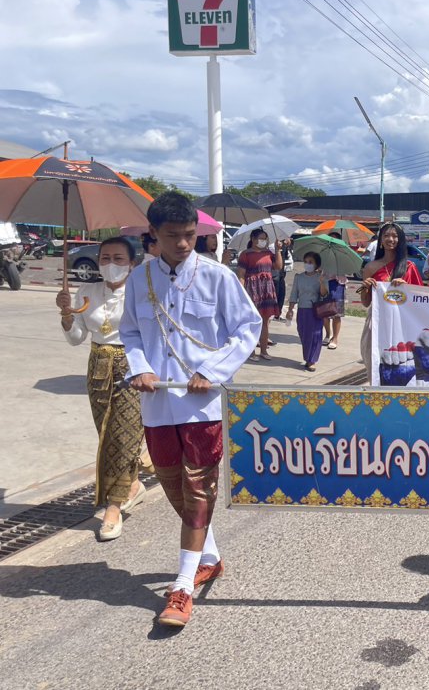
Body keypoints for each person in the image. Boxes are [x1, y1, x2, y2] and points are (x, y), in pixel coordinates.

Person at [120, 192, 261, 628]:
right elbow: (130, 333)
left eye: (189, 235)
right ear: (153, 234)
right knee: (174, 489)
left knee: (199, 489)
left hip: (202, 406)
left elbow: (247, 328)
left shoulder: (217, 277)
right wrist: (140, 369)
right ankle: (209, 557)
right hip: (157, 403)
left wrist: (212, 371)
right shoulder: (139, 279)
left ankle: (182, 587)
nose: (183, 244)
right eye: (172, 236)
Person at [56, 237, 146, 541]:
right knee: (107, 434)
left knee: (124, 435)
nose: (111, 264)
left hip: (132, 367)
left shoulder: (142, 293)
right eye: (105, 258)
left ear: (132, 263)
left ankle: (113, 506)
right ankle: (133, 483)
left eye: (119, 258)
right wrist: (67, 315)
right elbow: (76, 338)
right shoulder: (87, 291)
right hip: (98, 366)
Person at [360, 223, 424, 378]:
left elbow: (420, 301)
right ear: (381, 240)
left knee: (401, 366)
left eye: (395, 236)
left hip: (402, 324)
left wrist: (406, 287)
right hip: (377, 322)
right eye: (386, 235)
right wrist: (366, 288)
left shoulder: (409, 267)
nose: (391, 239)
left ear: (400, 240)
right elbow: (366, 302)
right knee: (375, 365)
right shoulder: (370, 267)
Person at [237, 229, 282, 361]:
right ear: (253, 239)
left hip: (267, 289)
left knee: (265, 321)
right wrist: (242, 292)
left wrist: (278, 250)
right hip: (252, 289)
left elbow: (278, 266)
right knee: (252, 321)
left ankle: (263, 350)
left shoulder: (268, 253)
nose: (264, 241)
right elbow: (241, 275)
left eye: (265, 239)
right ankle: (251, 351)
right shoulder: (245, 254)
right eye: (261, 238)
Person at [284, 251, 329, 371]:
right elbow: (294, 294)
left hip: (315, 311)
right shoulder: (299, 277)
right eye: (305, 262)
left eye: (310, 262)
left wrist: (322, 282)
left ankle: (312, 360)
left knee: (315, 335)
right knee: (304, 334)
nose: (307, 264)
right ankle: (307, 357)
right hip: (302, 311)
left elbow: (324, 294)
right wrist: (290, 310)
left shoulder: (321, 277)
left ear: (316, 264)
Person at [324, 274, 347, 350]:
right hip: (326, 281)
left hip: (339, 284)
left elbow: (349, 271)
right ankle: (328, 334)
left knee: (337, 313)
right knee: (324, 313)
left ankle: (335, 338)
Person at [273, 238, 293, 321]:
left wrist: (287, 244)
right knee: (275, 293)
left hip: (281, 273)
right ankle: (273, 314)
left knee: (281, 293)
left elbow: (286, 255)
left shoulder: (284, 243)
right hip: (273, 273)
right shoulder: (272, 243)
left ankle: (277, 314)